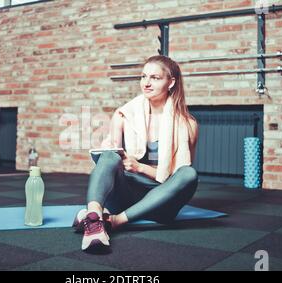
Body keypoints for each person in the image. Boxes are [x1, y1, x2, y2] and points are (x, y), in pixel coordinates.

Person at [73, 55, 199, 252]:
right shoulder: (123, 115)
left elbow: (177, 177)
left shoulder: (188, 124)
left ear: (171, 82)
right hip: (125, 196)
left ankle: (113, 221)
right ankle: (95, 216)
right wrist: (120, 161)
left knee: (189, 173)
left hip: (161, 203)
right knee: (108, 155)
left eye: (155, 78)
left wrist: (140, 167)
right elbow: (111, 162)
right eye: (143, 77)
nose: (146, 83)